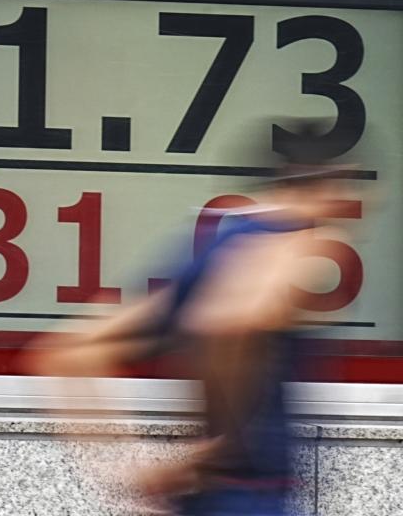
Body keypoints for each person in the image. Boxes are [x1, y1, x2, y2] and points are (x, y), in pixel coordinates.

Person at [29, 120, 364, 515]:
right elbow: (229, 322)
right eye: (351, 185)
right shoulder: (288, 246)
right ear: (329, 185)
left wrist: (126, 469)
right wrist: (216, 451)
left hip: (204, 499)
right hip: (252, 496)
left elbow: (68, 352)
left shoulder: (218, 248)